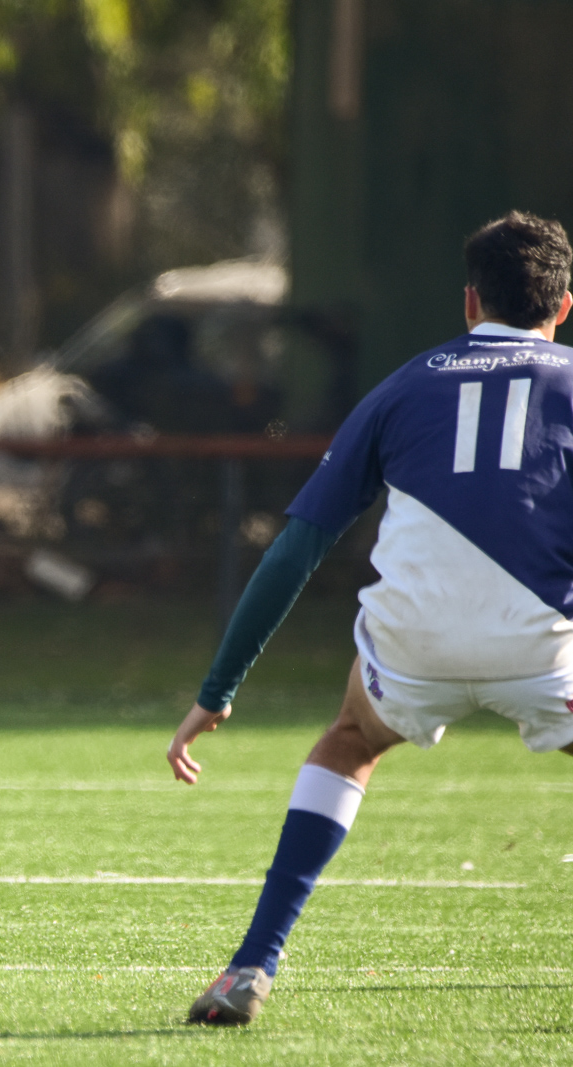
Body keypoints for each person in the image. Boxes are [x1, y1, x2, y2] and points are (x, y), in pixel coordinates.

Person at [167, 211, 573, 1025]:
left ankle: (251, 966)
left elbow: (297, 548)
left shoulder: (404, 385)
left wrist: (218, 689)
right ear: (564, 307)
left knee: (350, 739)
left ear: (469, 301)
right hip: (544, 646)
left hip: (413, 646)